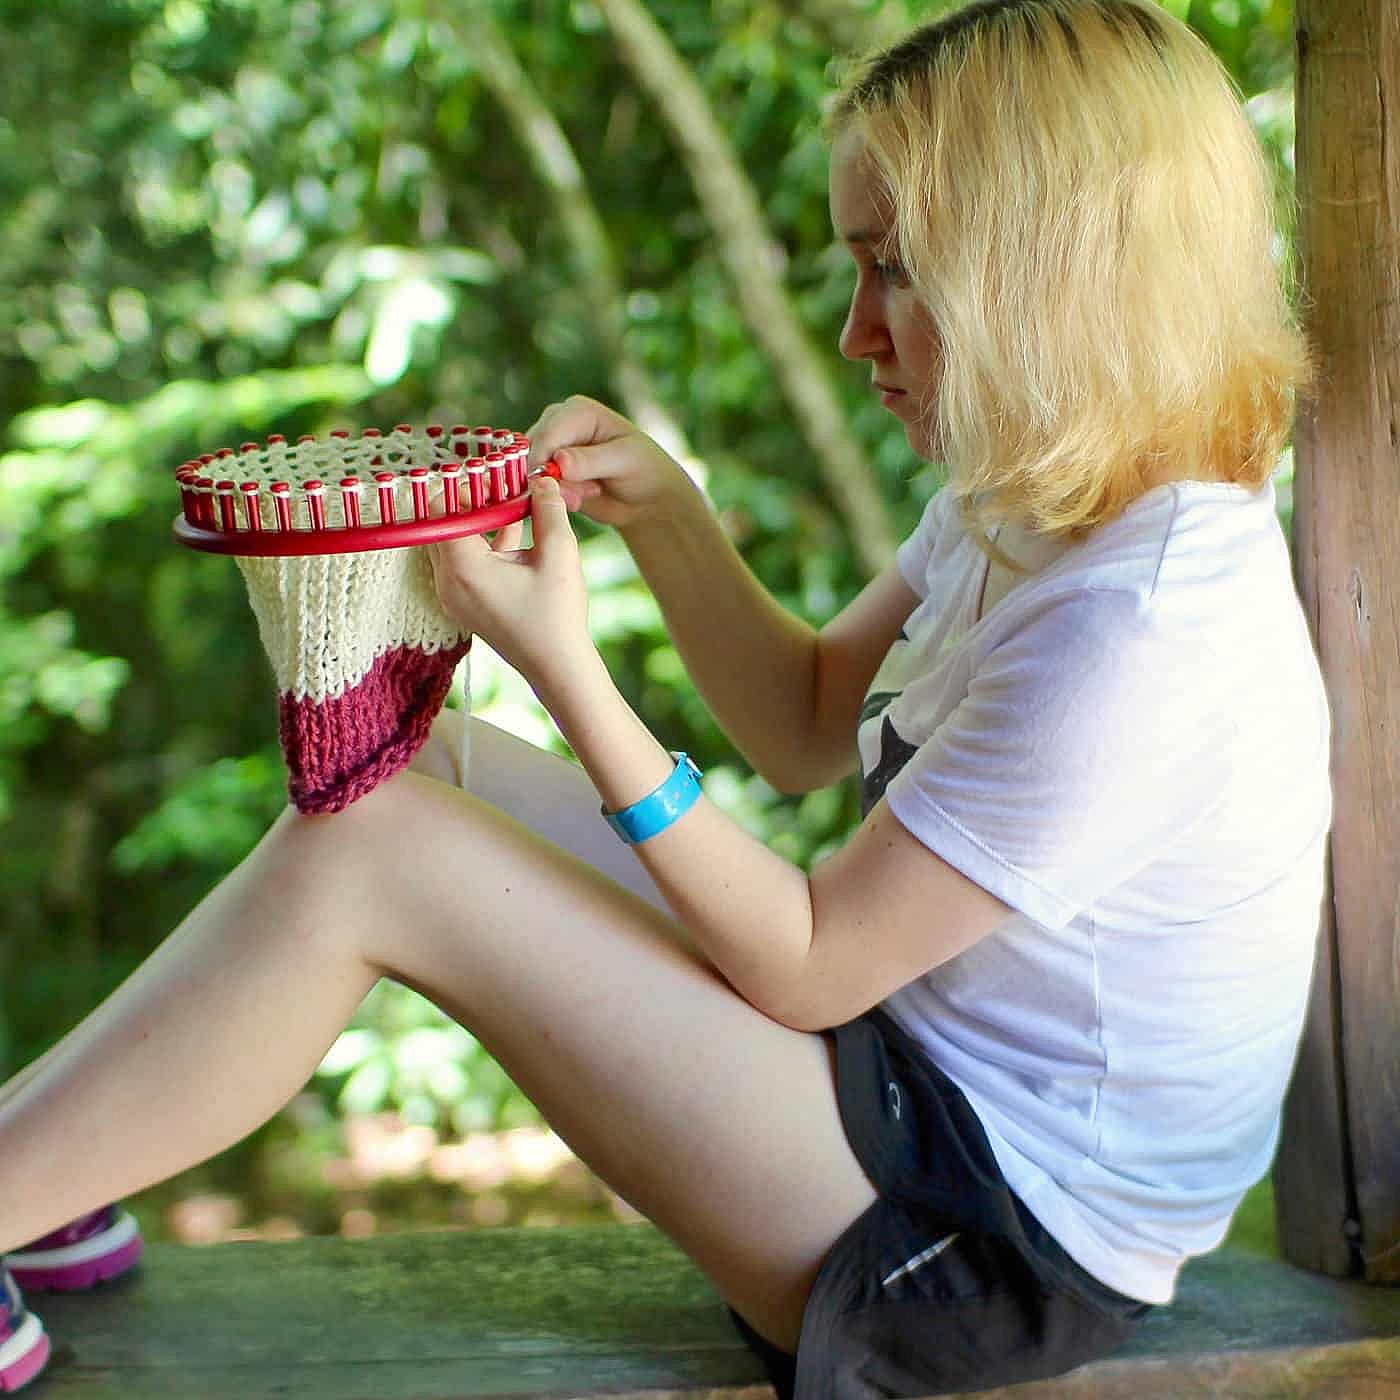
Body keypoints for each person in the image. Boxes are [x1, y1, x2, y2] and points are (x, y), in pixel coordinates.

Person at [0, 1, 1331, 1395]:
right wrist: (670, 515)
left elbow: (812, 958)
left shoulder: (1146, 623)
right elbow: (808, 721)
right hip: (900, 1097)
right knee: (425, 764)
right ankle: (41, 1163)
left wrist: (566, 666)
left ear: (1062, 275)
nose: (855, 331)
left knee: (379, 856)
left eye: (902, 272)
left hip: (981, 1251)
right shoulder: (1047, 508)